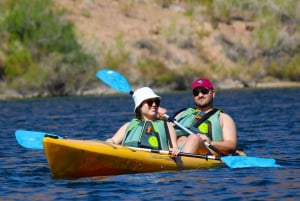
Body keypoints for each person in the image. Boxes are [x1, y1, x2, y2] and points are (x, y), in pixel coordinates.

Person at [167, 78, 237, 156]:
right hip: (175, 150)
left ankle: (180, 162)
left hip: (205, 151)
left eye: (204, 91)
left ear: (213, 93)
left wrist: (210, 142)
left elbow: (231, 145)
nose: (200, 95)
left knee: (194, 138)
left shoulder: (223, 118)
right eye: (196, 93)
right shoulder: (182, 113)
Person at [106, 87, 179, 156]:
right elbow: (113, 141)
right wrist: (109, 142)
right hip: (130, 156)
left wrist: (175, 150)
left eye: (156, 102)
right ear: (139, 106)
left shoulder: (166, 125)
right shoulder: (129, 125)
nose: (154, 105)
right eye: (150, 102)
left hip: (156, 159)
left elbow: (173, 148)